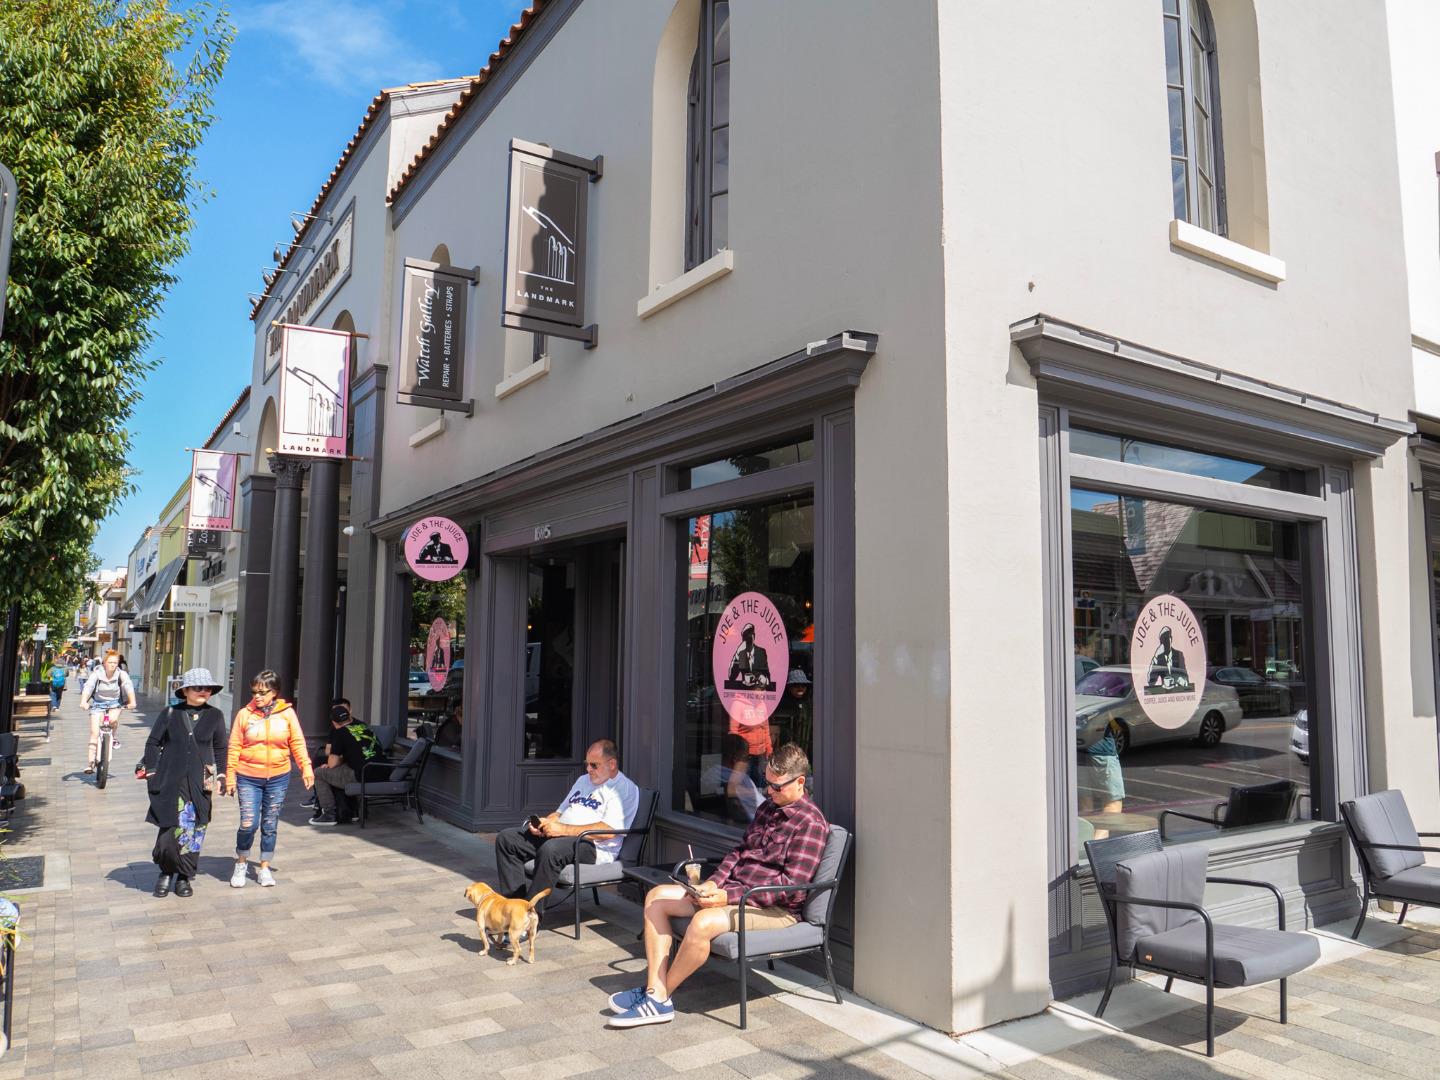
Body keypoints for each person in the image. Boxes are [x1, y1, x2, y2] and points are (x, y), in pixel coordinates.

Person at [609, 743, 828, 1028]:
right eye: (767, 784)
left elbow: (790, 886)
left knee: (702, 922)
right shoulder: (769, 809)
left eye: (776, 787)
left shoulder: (810, 823)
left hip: (775, 907)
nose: (768, 792)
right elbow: (740, 852)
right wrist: (714, 883)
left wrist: (727, 896)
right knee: (656, 897)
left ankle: (660, 999)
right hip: (739, 891)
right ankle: (654, 989)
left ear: (800, 782)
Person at [494, 739, 639, 912]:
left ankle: (529, 917)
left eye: (594, 765)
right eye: (587, 764)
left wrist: (562, 830)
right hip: (562, 837)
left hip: (594, 847)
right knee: (507, 839)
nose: (588, 769)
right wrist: (546, 823)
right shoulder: (583, 780)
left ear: (612, 764)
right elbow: (560, 812)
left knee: (551, 850)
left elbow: (608, 831)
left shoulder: (623, 788)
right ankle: (513, 907)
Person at [137, 668, 227, 898]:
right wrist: (153, 770)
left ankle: (185, 876)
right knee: (170, 830)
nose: (203, 692)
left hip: (200, 781)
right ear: (185, 690)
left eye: (207, 688)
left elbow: (220, 748)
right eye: (198, 688)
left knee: (195, 830)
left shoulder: (215, 715)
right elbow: (152, 743)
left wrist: (222, 774)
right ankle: (166, 870)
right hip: (170, 779)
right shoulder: (170, 713)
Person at [225, 670, 313, 888]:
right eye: (254, 692)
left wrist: (306, 768)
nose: (257, 696)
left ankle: (264, 867)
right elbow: (234, 746)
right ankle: (242, 862)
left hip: (278, 776)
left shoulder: (287, 714)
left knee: (270, 823)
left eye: (262, 692)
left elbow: (297, 742)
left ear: (274, 692)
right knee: (248, 823)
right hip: (248, 776)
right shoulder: (244, 714)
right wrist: (230, 776)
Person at [309, 701, 386, 826]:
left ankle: (329, 814)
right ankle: (353, 811)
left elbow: (332, 763)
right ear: (350, 717)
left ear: (334, 723)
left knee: (320, 773)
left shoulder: (340, 732)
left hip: (364, 775)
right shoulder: (365, 727)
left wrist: (329, 765)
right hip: (385, 771)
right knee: (344, 768)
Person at [79, 649, 137, 774]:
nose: (112, 665)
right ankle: (90, 763)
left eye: (115, 663)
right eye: (110, 662)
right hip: (98, 704)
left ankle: (112, 738)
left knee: (113, 720)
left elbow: (128, 686)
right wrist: (84, 701)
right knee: (94, 733)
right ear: (104, 663)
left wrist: (132, 702)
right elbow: (88, 686)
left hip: (115, 703)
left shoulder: (121, 674)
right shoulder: (97, 674)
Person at [698, 733, 762, 822]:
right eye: (746, 758)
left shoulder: (711, 774)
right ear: (736, 758)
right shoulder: (737, 778)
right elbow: (731, 791)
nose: (748, 762)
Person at [725, 624, 771, 690]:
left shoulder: (761, 652)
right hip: (745, 692)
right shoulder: (742, 654)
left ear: (754, 636)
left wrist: (765, 679)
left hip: (759, 690)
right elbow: (731, 677)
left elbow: (767, 675)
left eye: (750, 635)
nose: (748, 639)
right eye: (745, 637)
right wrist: (737, 654)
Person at [1146, 627, 1191, 693]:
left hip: (1178, 692)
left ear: (1171, 639)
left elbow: (1185, 677)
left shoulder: (1179, 654)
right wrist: (1155, 657)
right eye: (1165, 639)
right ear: (1161, 643)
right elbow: (1150, 681)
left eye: (1169, 637)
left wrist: (1182, 680)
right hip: (1164, 693)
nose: (1167, 641)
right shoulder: (1159, 658)